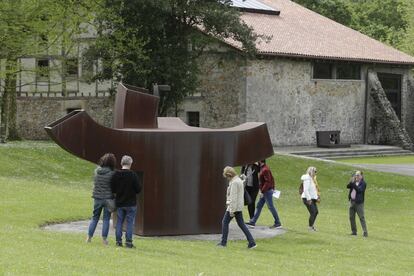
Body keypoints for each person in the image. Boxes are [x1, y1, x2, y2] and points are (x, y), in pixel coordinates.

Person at [217, 166, 256, 249]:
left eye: (226, 176)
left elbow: (233, 198)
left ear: (229, 175)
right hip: (238, 207)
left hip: (234, 207)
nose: (226, 178)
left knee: (224, 222)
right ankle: (252, 242)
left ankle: (223, 243)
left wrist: (231, 210)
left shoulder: (234, 183)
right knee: (242, 225)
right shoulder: (238, 180)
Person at [111, 155, 141, 248]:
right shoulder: (133, 175)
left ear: (121, 163)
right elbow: (138, 189)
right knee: (130, 223)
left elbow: (113, 188)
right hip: (131, 203)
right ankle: (128, 242)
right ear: (130, 164)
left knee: (119, 222)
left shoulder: (116, 174)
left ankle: (118, 241)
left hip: (120, 202)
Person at [86, 153, 116, 245]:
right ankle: (104, 240)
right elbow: (114, 187)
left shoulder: (96, 172)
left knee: (94, 217)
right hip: (108, 199)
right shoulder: (112, 174)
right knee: (106, 219)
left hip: (97, 198)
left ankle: (89, 238)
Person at [246, 160, 282, 229]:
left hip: (267, 191)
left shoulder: (265, 169)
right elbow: (272, 179)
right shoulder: (264, 168)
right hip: (266, 191)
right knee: (259, 206)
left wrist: (262, 191)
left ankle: (278, 222)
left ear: (260, 161)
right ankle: (253, 222)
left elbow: (268, 182)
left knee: (271, 207)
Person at [347, 171, 368, 237]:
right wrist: (351, 181)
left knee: (361, 217)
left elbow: (359, 190)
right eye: (356, 175)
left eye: (358, 175)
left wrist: (354, 184)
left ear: (361, 176)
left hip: (359, 203)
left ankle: (365, 232)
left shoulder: (363, 183)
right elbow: (347, 186)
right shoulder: (354, 182)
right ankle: (354, 231)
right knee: (351, 217)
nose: (357, 176)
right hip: (352, 202)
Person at [301, 166, 319, 231]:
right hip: (307, 198)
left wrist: (316, 198)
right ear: (311, 171)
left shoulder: (312, 179)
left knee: (316, 212)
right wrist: (309, 199)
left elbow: (313, 189)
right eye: (315, 171)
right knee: (313, 212)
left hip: (312, 198)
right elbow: (306, 190)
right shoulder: (307, 179)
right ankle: (310, 227)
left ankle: (311, 226)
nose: (315, 173)